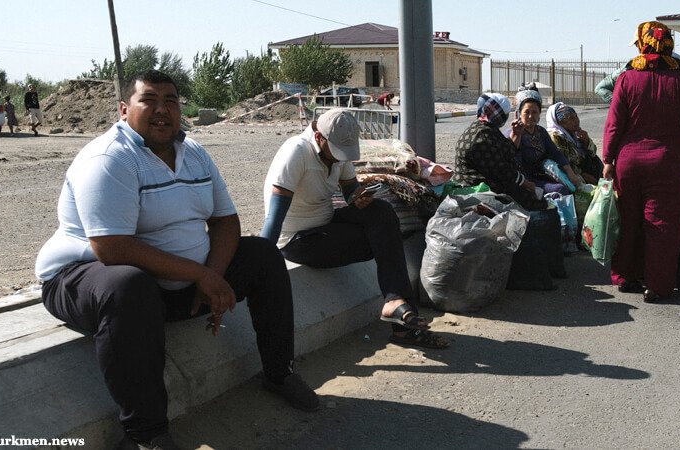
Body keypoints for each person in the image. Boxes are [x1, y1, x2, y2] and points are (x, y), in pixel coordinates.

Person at [34, 70, 316, 450]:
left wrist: (212, 275)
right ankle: (146, 434)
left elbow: (225, 221)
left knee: (263, 255)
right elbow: (112, 248)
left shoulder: (194, 152)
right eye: (149, 100)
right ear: (124, 109)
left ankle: (279, 372)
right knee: (126, 286)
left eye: (170, 101)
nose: (162, 110)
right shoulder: (109, 158)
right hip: (82, 279)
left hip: (175, 285)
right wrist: (200, 274)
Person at [260, 108, 449, 350]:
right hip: (299, 240)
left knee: (382, 213)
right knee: (384, 241)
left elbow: (350, 189)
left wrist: (358, 197)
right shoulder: (296, 151)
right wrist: (262, 264)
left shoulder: (335, 153)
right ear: (319, 138)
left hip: (326, 224)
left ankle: (395, 303)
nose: (340, 158)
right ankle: (404, 325)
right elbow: (274, 218)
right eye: (337, 152)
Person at [602, 21, 680, 303]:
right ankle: (657, 285)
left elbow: (614, 123)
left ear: (642, 43)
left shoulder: (627, 78)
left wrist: (608, 159)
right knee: (662, 224)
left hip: (628, 163)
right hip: (666, 164)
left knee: (628, 220)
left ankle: (626, 276)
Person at [453, 93, 548, 210]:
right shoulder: (482, 135)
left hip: (489, 183)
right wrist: (526, 183)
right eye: (505, 114)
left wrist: (516, 133)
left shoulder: (485, 129)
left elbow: (506, 151)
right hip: (477, 189)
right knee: (537, 203)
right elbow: (502, 170)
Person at [505, 89, 584, 194]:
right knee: (560, 190)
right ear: (519, 113)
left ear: (539, 114)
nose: (530, 116)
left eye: (534, 112)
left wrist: (570, 172)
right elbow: (512, 161)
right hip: (525, 180)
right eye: (526, 112)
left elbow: (555, 153)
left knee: (573, 184)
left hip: (544, 174)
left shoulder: (541, 132)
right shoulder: (512, 133)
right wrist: (516, 135)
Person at [546, 102, 603, 185]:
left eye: (576, 116)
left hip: (584, 169)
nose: (577, 120)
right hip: (571, 174)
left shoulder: (575, 133)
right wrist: (583, 175)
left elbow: (593, 153)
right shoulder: (556, 137)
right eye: (571, 118)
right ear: (560, 122)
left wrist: (587, 141)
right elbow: (564, 163)